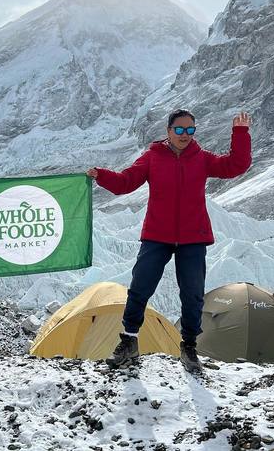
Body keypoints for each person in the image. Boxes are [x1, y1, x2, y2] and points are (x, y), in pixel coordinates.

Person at [87, 109, 252, 372]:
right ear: (168, 131)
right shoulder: (153, 157)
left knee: (192, 293)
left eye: (190, 130)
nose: (185, 135)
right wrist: (102, 175)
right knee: (140, 287)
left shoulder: (202, 158)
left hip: (193, 237)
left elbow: (236, 165)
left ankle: (189, 347)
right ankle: (129, 341)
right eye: (180, 129)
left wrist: (240, 133)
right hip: (157, 235)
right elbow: (126, 182)